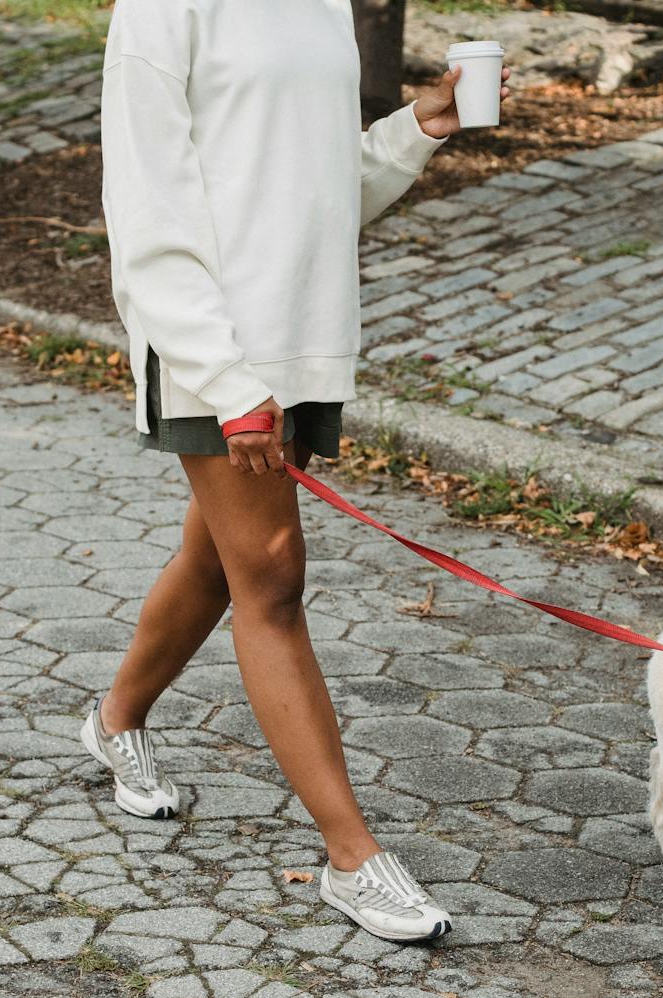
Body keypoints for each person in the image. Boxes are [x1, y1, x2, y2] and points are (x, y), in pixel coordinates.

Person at [86, 1, 507, 942]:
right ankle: (352, 858)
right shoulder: (163, 9)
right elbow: (149, 210)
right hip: (215, 347)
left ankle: (116, 720)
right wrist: (225, 380)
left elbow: (312, 187)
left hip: (304, 338)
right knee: (272, 575)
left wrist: (418, 129)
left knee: (224, 559)